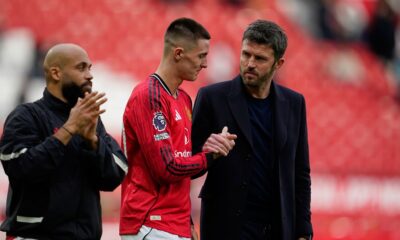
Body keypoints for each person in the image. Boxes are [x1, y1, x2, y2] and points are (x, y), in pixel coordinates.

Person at [192, 20, 313, 240]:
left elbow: (300, 172)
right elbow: (187, 164)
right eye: (246, 54)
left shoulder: (294, 103)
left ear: (279, 63)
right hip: (225, 227)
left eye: (260, 58)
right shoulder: (212, 98)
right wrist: (208, 153)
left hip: (276, 227)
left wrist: (304, 231)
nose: (250, 63)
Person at [120, 18, 236, 240]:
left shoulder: (183, 99)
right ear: (179, 53)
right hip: (150, 221)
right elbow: (167, 168)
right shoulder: (149, 96)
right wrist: (209, 156)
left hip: (174, 224)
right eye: (201, 56)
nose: (205, 65)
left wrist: (187, 222)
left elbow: (182, 165)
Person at [0, 43, 128, 239]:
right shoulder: (25, 116)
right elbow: (21, 168)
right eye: (81, 67)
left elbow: (113, 177)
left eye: (90, 68)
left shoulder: (91, 119)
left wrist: (93, 142)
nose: (89, 75)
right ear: (56, 73)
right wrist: (68, 130)